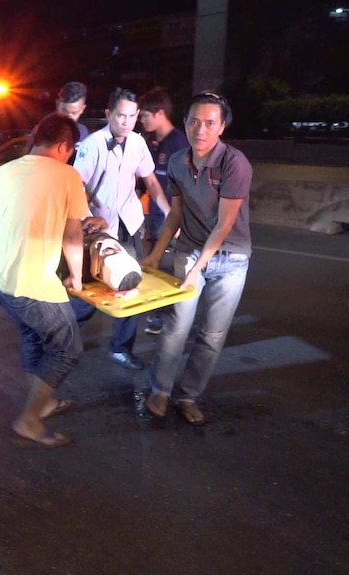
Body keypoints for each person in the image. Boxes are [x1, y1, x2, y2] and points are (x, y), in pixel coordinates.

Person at [0, 112, 88, 448]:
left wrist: (8, 233)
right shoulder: (67, 175)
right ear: (65, 146)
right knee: (67, 349)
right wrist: (76, 278)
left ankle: (44, 401)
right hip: (31, 284)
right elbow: (73, 235)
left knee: (33, 334)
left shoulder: (3, 172)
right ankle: (29, 419)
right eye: (71, 150)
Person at [141, 92, 252, 425]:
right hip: (189, 250)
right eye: (193, 121)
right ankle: (160, 390)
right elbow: (175, 212)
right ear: (185, 122)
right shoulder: (177, 162)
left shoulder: (235, 163)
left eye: (209, 123)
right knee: (176, 326)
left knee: (212, 335)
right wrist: (155, 255)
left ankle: (188, 395)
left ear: (222, 127)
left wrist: (197, 271)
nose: (200, 130)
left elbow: (225, 222)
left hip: (231, 258)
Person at [72, 87, 171, 370]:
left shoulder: (138, 143)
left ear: (137, 116)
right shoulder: (92, 145)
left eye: (131, 116)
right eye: (120, 116)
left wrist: (168, 213)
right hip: (100, 228)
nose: (125, 121)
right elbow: (76, 186)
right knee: (93, 291)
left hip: (130, 223)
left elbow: (150, 181)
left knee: (131, 284)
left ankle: (121, 348)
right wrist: (87, 218)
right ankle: (59, 335)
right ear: (108, 114)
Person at [138, 86, 189, 335]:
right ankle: (158, 315)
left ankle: (167, 319)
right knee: (155, 266)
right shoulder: (156, 144)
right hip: (158, 219)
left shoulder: (178, 144)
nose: (142, 119)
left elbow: (186, 185)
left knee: (169, 269)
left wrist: (177, 220)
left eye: (145, 114)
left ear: (159, 113)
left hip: (172, 220)